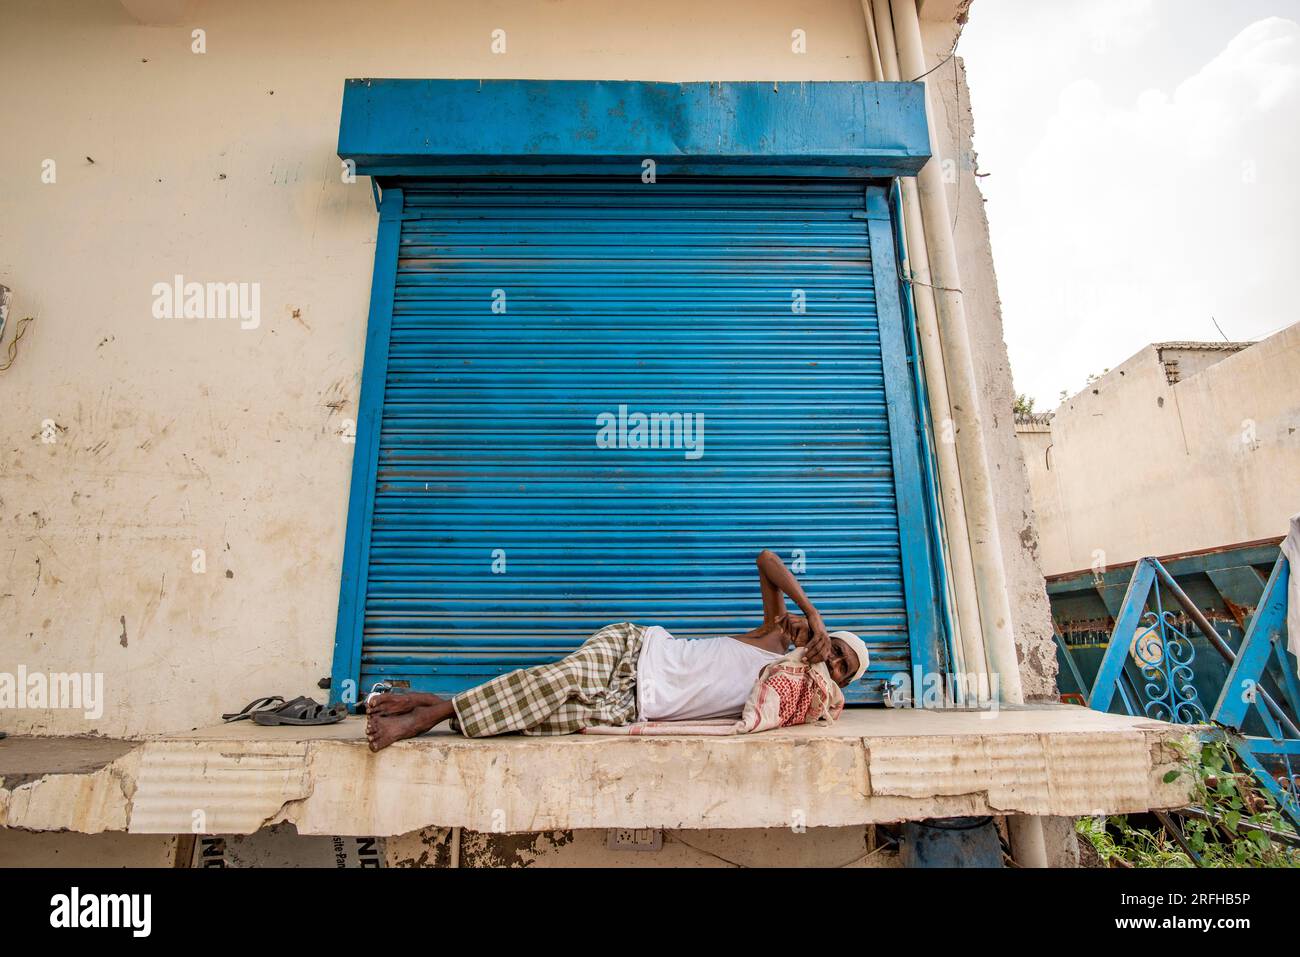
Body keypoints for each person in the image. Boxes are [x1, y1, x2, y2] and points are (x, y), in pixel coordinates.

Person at [364, 549, 868, 751]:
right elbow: (766, 559)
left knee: (537, 717)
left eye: (844, 670)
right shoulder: (775, 632)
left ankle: (434, 703)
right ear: (831, 640)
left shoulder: (799, 697)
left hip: (635, 706)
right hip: (635, 650)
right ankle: (421, 720)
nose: (837, 664)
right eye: (840, 651)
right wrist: (814, 616)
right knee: (554, 681)